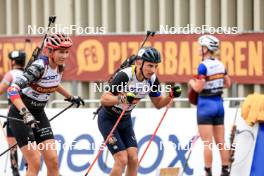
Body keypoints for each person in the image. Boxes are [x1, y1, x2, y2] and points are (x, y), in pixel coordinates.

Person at [7, 33, 85, 176]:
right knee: (35, 162)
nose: (64, 55)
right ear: (49, 51)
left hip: (38, 114)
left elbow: (53, 83)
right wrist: (25, 113)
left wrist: (70, 97)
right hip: (20, 115)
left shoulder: (60, 66)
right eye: (61, 52)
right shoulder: (39, 67)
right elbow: (12, 90)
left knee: (53, 161)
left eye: (67, 52)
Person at [98, 47, 182, 176]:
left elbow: (159, 104)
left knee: (133, 159)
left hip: (125, 120)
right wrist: (122, 98)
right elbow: (104, 99)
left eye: (155, 66)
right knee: (121, 159)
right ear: (138, 63)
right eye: (149, 66)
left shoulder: (152, 80)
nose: (152, 70)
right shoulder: (125, 75)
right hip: (108, 119)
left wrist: (170, 96)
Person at [188, 35, 231, 176]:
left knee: (207, 143)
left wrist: (191, 83)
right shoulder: (221, 64)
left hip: (205, 105)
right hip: (219, 104)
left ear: (206, 49)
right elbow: (228, 83)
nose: (198, 49)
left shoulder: (203, 66)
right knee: (221, 141)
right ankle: (225, 170)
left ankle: (208, 172)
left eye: (200, 46)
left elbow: (199, 88)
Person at [0, 50, 26, 176]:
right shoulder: (28, 73)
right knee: (28, 143)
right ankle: (29, 169)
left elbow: (1, 90)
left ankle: (15, 171)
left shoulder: (11, 74)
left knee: (12, 144)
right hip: (27, 112)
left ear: (13, 61)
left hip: (13, 113)